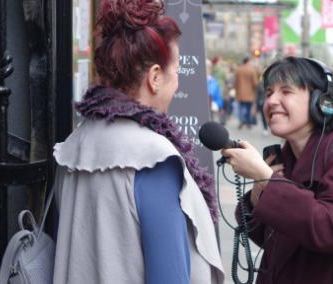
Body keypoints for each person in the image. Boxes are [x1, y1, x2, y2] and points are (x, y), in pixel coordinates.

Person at [52, 1, 224, 283]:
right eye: (176, 71)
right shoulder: (154, 158)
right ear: (155, 77)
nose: (177, 83)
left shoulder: (74, 144)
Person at [221, 57, 333, 283]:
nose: (272, 101)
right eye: (269, 93)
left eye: (286, 92)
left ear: (323, 101)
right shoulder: (286, 154)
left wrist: (267, 179)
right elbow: (274, 239)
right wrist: (258, 196)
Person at [234, 57, 259, 129]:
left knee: (241, 108)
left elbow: (235, 82)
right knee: (248, 108)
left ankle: (241, 121)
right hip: (249, 93)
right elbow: (255, 83)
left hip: (240, 92)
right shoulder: (252, 70)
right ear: (248, 62)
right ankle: (248, 122)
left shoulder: (238, 70)